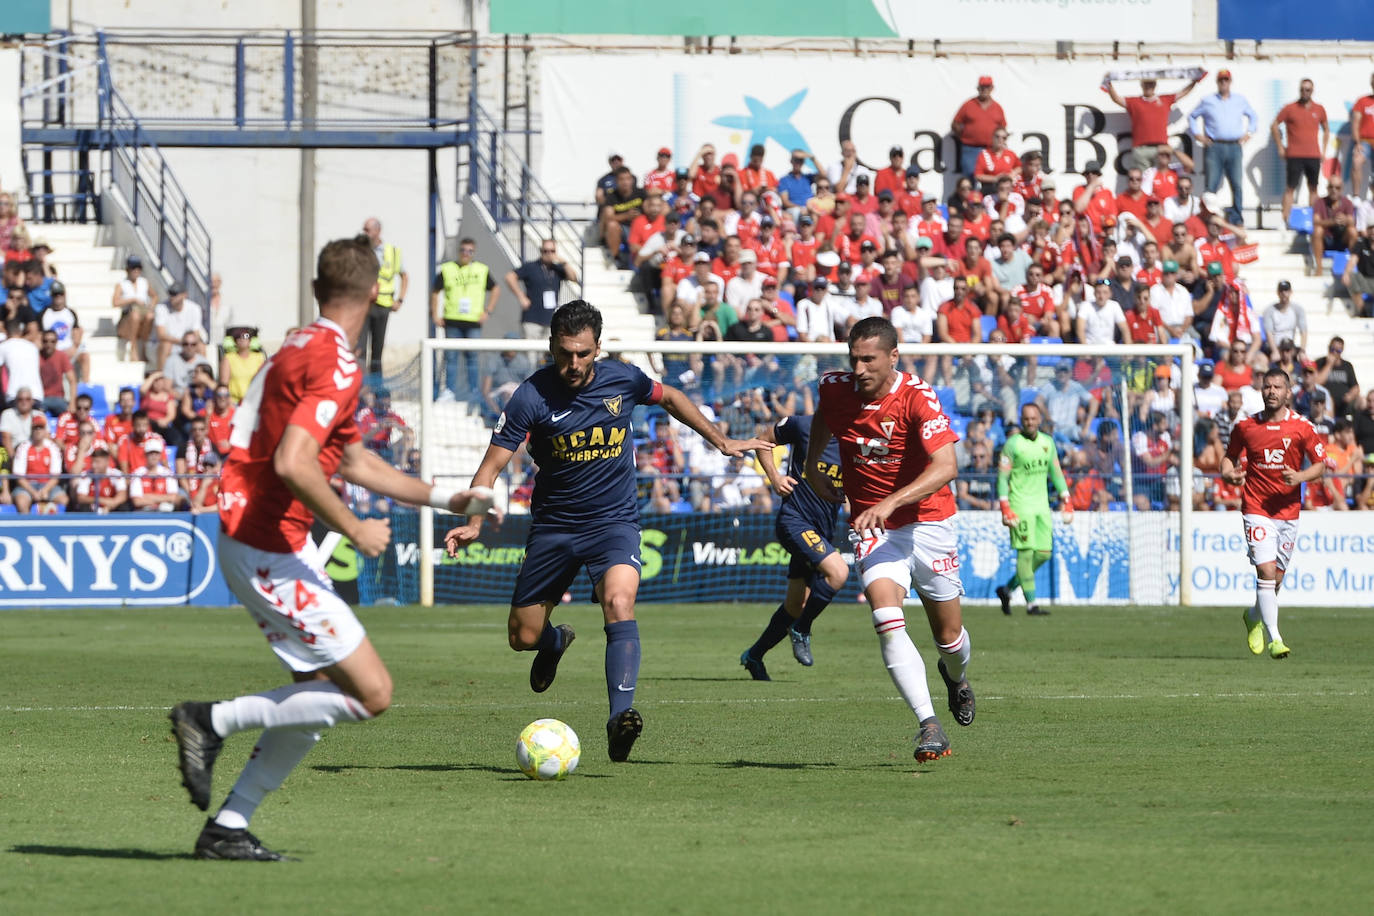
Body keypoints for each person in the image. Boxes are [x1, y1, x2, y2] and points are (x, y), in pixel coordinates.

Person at [167, 237, 493, 861]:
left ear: (318, 289)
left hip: (261, 534)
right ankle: (210, 720)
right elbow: (294, 461)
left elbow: (350, 458)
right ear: (376, 295)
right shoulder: (336, 362)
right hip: (267, 540)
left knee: (314, 693)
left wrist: (447, 497)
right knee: (372, 694)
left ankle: (228, 828)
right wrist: (351, 526)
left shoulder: (297, 343)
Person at [443, 300, 765, 763]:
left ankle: (620, 719)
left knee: (619, 601)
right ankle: (555, 642)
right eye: (565, 353)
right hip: (554, 527)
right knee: (523, 637)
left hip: (614, 522)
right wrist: (473, 521)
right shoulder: (530, 397)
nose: (573, 364)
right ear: (552, 346)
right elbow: (489, 468)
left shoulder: (623, 377)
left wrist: (722, 440)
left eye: (583, 354)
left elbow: (671, 397)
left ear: (598, 348)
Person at [804, 317, 974, 763]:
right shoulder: (835, 387)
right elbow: (824, 416)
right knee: (885, 614)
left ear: (893, 357)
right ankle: (929, 724)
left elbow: (946, 466)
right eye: (853, 359)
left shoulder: (918, 397)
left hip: (930, 524)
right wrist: (810, 468)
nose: (858, 369)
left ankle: (956, 679)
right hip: (876, 529)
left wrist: (890, 502)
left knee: (949, 638)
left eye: (869, 360)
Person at [1219, 368, 1326, 660]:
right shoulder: (1246, 427)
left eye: (1278, 387)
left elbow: (1321, 464)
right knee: (1265, 572)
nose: (1272, 392)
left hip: (1288, 513)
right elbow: (1228, 459)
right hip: (1256, 508)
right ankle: (1275, 639)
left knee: (1275, 581)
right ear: (1261, 390)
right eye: (1267, 387)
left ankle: (1253, 616)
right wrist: (1229, 476)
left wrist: (1301, 476)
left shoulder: (1302, 427)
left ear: (1288, 392)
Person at [739, 414, 849, 679]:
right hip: (794, 521)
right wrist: (775, 478)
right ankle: (802, 629)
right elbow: (762, 440)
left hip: (821, 530)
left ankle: (754, 655)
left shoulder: (857, 441)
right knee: (838, 572)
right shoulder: (803, 425)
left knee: (795, 603)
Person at [995, 403, 1072, 616]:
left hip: (1042, 506)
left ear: (1039, 419)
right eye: (1026, 419)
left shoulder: (1048, 443)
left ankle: (1007, 589)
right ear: (1022, 420)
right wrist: (1005, 506)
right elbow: (1002, 478)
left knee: (1044, 554)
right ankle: (1031, 605)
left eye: (1033, 418)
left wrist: (1066, 498)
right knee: (1026, 554)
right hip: (1020, 506)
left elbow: (1056, 473)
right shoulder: (1012, 444)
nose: (1030, 422)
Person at [432, 237, 500, 405]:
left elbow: (496, 288)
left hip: (473, 321)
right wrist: (435, 314)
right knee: (451, 357)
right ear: (459, 251)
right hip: (452, 319)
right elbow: (435, 291)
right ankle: (449, 391)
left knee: (473, 358)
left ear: (473, 252)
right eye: (463, 250)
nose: (466, 254)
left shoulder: (481, 270)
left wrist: (488, 311)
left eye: (470, 251)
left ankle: (474, 392)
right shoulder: (448, 269)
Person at [1188, 70, 1258, 226]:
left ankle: (1237, 217)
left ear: (1230, 81)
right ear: (1217, 82)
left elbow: (1253, 116)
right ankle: (1209, 215)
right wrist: (1198, 135)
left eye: (1226, 80)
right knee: (1211, 184)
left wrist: (1249, 133)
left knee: (1237, 184)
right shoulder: (1208, 100)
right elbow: (1192, 116)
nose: (1224, 83)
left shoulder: (1240, 100)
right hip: (1215, 146)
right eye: (1221, 80)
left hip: (1234, 146)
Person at [1271, 79, 1330, 225]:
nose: (1305, 92)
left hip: (1313, 155)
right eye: (1303, 89)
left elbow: (1326, 129)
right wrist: (1280, 147)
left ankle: (1313, 222)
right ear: (1299, 90)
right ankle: (1284, 221)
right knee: (1290, 188)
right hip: (1295, 155)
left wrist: (1323, 151)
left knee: (1313, 188)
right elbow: (1274, 125)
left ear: (1312, 91)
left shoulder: (1319, 109)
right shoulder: (1290, 108)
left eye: (1308, 89)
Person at [355, 217, 408, 377]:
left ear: (377, 231)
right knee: (360, 348)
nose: (364, 233)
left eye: (367, 230)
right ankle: (362, 386)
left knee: (377, 350)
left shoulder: (391, 252)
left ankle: (377, 388)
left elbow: (404, 276)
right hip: (364, 305)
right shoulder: (359, 250)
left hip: (383, 305)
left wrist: (400, 299)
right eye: (364, 229)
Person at [505, 239, 579, 341]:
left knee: (546, 354)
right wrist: (521, 296)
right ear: (541, 251)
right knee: (531, 354)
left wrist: (564, 263)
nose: (549, 254)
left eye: (552, 251)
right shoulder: (531, 266)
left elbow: (574, 278)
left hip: (550, 319)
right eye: (545, 251)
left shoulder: (557, 269)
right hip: (532, 318)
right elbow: (510, 277)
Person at [951, 75, 1006, 178]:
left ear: (992, 88)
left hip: (991, 149)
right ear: (978, 88)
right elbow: (955, 124)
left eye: (987, 87)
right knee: (970, 177)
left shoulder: (997, 107)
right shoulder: (968, 105)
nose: (985, 89)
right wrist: (964, 136)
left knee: (992, 177)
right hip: (970, 149)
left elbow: (1002, 128)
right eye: (982, 87)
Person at [11, 415, 66, 513]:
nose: (38, 431)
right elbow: (19, 477)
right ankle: (26, 527)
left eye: (41, 428)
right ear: (31, 430)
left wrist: (45, 490)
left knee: (64, 501)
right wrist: (33, 492)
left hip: (47, 484)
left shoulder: (52, 447)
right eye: (35, 428)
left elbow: (55, 476)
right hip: (28, 485)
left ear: (45, 430)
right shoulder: (23, 447)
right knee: (21, 501)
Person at [40, 281, 89, 384]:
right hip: (52, 351)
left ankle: (85, 385)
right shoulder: (44, 314)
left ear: (64, 295)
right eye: (55, 295)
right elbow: (40, 336)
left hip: (69, 349)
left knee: (85, 356)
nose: (58, 298)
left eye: (60, 294)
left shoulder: (70, 313)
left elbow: (76, 332)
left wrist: (74, 347)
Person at [153, 283, 208, 371]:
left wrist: (187, 343)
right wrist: (182, 342)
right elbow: (161, 335)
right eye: (170, 293)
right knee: (165, 345)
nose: (172, 297)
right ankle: (162, 377)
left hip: (186, 343)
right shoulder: (161, 308)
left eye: (175, 293)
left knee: (201, 346)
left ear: (184, 295)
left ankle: (203, 375)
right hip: (170, 343)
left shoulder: (194, 308)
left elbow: (196, 333)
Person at [112, 254, 155, 362]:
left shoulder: (144, 282)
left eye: (138, 268)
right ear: (128, 270)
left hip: (142, 315)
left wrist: (150, 306)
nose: (136, 271)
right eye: (133, 268)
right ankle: (134, 348)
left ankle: (144, 347)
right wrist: (132, 300)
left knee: (150, 316)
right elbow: (115, 302)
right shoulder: (121, 284)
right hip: (127, 317)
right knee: (134, 315)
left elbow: (154, 296)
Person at [1311, 177, 1357, 270]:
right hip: (1325, 238)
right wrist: (1332, 222)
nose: (1334, 190)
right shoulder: (1320, 202)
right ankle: (1319, 268)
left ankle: (1353, 267)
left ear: (1342, 189)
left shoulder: (1347, 203)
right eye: (1331, 187)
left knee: (1352, 231)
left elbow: (1352, 221)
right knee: (1318, 230)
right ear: (1327, 188)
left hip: (1342, 239)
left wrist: (1345, 220)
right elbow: (1315, 222)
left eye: (1337, 188)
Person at [219, 326, 266, 404]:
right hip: (234, 402)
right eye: (239, 337)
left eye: (245, 337)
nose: (242, 339)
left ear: (250, 340)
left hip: (254, 401)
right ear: (235, 341)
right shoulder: (228, 358)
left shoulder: (259, 357)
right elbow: (224, 384)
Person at [1261, 281, 1308, 356]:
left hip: (1290, 346)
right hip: (1275, 346)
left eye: (1286, 290)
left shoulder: (1297, 309)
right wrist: (1275, 351)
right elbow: (1269, 332)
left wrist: (1302, 351)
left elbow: (1303, 331)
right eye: (1281, 291)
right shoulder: (1269, 311)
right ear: (1278, 293)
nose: (1283, 293)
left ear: (1291, 292)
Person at [37, 329, 76, 415]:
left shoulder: (61, 356)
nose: (49, 344)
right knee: (36, 418)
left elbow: (72, 380)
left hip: (58, 399)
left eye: (52, 341)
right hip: (41, 398)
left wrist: (72, 403)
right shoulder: (36, 356)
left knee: (70, 417)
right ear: (42, 342)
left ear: (56, 342)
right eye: (45, 341)